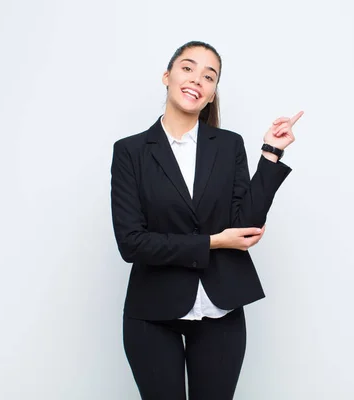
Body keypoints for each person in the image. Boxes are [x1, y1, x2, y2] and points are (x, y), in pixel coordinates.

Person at [110, 40, 303, 400]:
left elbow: (244, 223)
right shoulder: (130, 151)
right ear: (167, 77)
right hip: (152, 312)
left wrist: (271, 153)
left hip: (221, 308)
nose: (197, 79)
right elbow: (131, 242)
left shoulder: (228, 145)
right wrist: (213, 242)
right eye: (187, 68)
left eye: (209, 76)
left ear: (212, 93)